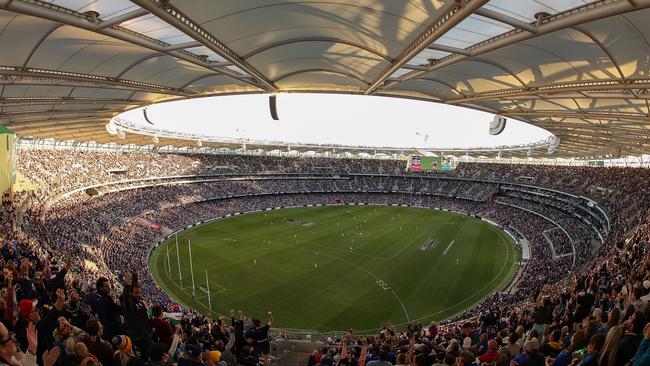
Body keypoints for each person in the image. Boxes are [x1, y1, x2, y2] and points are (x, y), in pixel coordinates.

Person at [121, 269, 153, 361]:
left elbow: (134, 288)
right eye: (136, 293)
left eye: (140, 292)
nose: (139, 294)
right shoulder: (130, 305)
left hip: (146, 333)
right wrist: (126, 283)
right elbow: (126, 298)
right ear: (131, 293)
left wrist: (135, 276)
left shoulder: (137, 301)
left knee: (145, 356)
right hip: (140, 336)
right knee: (151, 355)